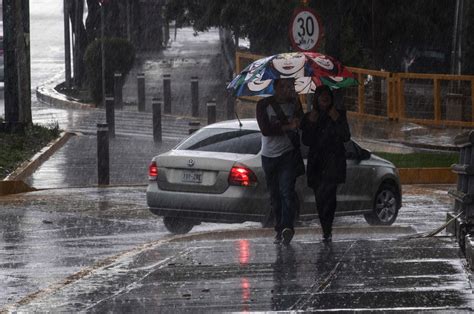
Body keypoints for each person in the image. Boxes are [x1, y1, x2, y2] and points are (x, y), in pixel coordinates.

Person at [300, 85, 351, 243]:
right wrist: (311, 122)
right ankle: (325, 226)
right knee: (320, 197)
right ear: (316, 99)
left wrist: (337, 120)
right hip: (317, 163)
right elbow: (306, 141)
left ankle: (327, 229)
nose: (324, 98)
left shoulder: (338, 114)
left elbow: (346, 136)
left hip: (333, 162)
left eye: (327, 95)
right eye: (321, 95)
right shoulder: (310, 116)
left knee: (329, 195)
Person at [256, 78, 304, 245]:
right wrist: (288, 127)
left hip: (287, 155)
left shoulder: (295, 104)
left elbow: (301, 124)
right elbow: (266, 130)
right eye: (282, 86)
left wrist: (298, 116)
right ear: (275, 87)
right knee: (274, 194)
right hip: (268, 155)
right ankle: (278, 228)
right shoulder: (263, 105)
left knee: (287, 191)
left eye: (289, 86)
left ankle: (287, 227)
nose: (285, 89)